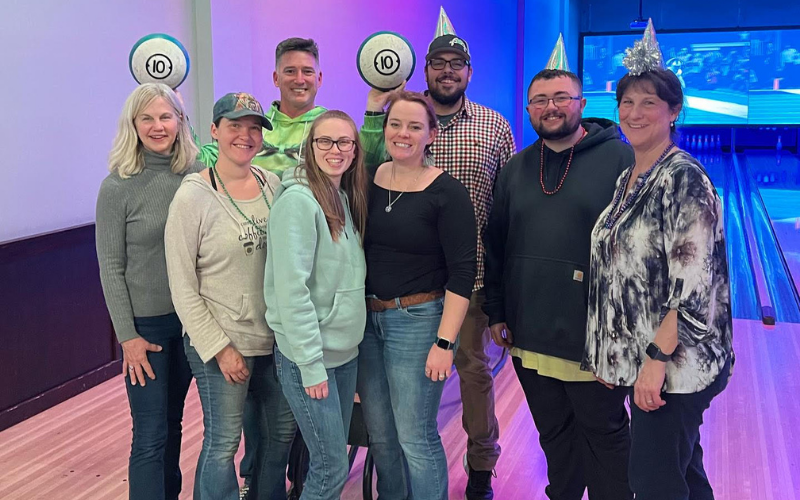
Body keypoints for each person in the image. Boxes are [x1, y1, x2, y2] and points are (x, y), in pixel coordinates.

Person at [361, 17, 515, 499]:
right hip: (392, 295)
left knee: (470, 375)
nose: (448, 72)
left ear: (469, 72)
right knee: (396, 421)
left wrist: (501, 293)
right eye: (439, 64)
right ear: (424, 70)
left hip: (464, 282)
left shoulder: (493, 125)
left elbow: (508, 207)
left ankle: (481, 468)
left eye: (457, 64)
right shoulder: (391, 142)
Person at [584, 24, 734, 500]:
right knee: (682, 473)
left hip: (677, 366)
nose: (634, 112)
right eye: (627, 102)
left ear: (674, 111)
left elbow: (692, 286)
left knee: (651, 482)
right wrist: (612, 354)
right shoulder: (630, 175)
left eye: (649, 102)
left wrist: (654, 362)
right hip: (650, 361)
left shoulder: (684, 178)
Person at [483, 37, 635, 500]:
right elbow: (497, 243)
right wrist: (496, 311)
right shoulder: (515, 167)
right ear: (529, 109)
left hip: (594, 334)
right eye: (540, 100)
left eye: (561, 98)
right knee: (554, 433)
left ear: (582, 104)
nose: (551, 107)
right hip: (531, 333)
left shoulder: (621, 159)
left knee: (605, 434)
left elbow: (638, 253)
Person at [165, 92, 295, 500]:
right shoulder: (193, 196)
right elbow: (182, 287)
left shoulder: (271, 184)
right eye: (235, 126)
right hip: (222, 343)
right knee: (222, 445)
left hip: (274, 343)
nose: (246, 135)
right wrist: (220, 349)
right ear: (215, 131)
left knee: (278, 440)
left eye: (254, 128)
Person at [357, 90, 477, 500]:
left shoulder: (447, 192)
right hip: (367, 322)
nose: (402, 133)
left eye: (414, 126)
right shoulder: (367, 179)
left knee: (415, 436)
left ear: (431, 134)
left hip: (420, 321)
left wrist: (445, 342)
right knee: (382, 436)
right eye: (395, 124)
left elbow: (463, 273)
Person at [96, 82, 201, 500]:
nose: (158, 126)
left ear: (179, 121)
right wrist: (128, 338)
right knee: (151, 433)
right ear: (133, 125)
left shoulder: (195, 177)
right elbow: (111, 267)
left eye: (165, 116)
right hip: (147, 330)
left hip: (193, 322)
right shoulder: (117, 186)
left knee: (174, 425)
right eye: (147, 118)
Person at [263, 110, 369, 500]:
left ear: (355, 151)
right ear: (310, 147)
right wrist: (310, 365)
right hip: (310, 358)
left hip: (343, 354)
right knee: (330, 469)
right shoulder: (298, 202)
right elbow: (292, 292)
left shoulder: (342, 196)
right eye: (325, 141)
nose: (335, 150)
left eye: (345, 142)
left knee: (327, 463)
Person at [198, 37, 325, 178]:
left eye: (307, 72)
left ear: (319, 78)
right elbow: (200, 159)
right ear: (276, 78)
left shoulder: (331, 128)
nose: (299, 80)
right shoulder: (254, 126)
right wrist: (176, 109)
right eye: (290, 71)